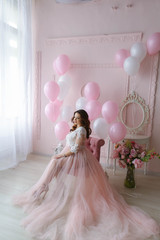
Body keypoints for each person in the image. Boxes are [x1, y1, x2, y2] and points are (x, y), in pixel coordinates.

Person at [13, 109, 160, 240]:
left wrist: (60, 156)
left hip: (78, 158)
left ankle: (43, 188)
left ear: (83, 119)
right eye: (74, 117)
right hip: (70, 154)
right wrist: (60, 154)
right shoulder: (75, 128)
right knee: (54, 162)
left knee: (55, 162)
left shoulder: (82, 130)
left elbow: (76, 148)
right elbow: (68, 145)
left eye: (78, 118)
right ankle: (44, 187)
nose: (75, 120)